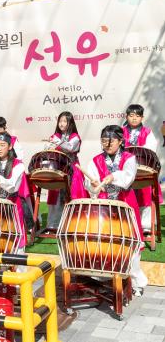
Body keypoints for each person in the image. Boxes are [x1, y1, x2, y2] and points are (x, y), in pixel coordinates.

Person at [85, 125, 147, 296]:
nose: (108, 144)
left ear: (120, 141)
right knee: (103, 241)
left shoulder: (129, 158)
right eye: (104, 140)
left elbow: (127, 178)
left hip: (125, 203)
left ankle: (135, 282)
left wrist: (113, 176)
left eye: (111, 140)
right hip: (104, 206)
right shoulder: (96, 160)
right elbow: (89, 183)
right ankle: (105, 277)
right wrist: (93, 185)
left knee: (130, 243)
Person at [122, 104, 161, 233]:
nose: (134, 118)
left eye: (137, 116)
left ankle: (145, 226)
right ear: (126, 116)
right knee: (124, 193)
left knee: (145, 193)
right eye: (131, 115)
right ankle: (126, 223)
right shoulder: (120, 131)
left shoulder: (147, 132)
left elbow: (151, 149)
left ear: (142, 117)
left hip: (143, 169)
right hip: (126, 170)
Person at [46, 111, 87, 230]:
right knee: (55, 197)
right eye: (60, 121)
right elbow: (48, 149)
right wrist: (49, 145)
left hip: (72, 169)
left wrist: (57, 142)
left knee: (74, 195)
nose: (62, 124)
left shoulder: (75, 137)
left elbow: (70, 147)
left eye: (65, 121)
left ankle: (75, 224)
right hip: (57, 169)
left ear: (70, 123)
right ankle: (54, 224)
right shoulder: (55, 136)